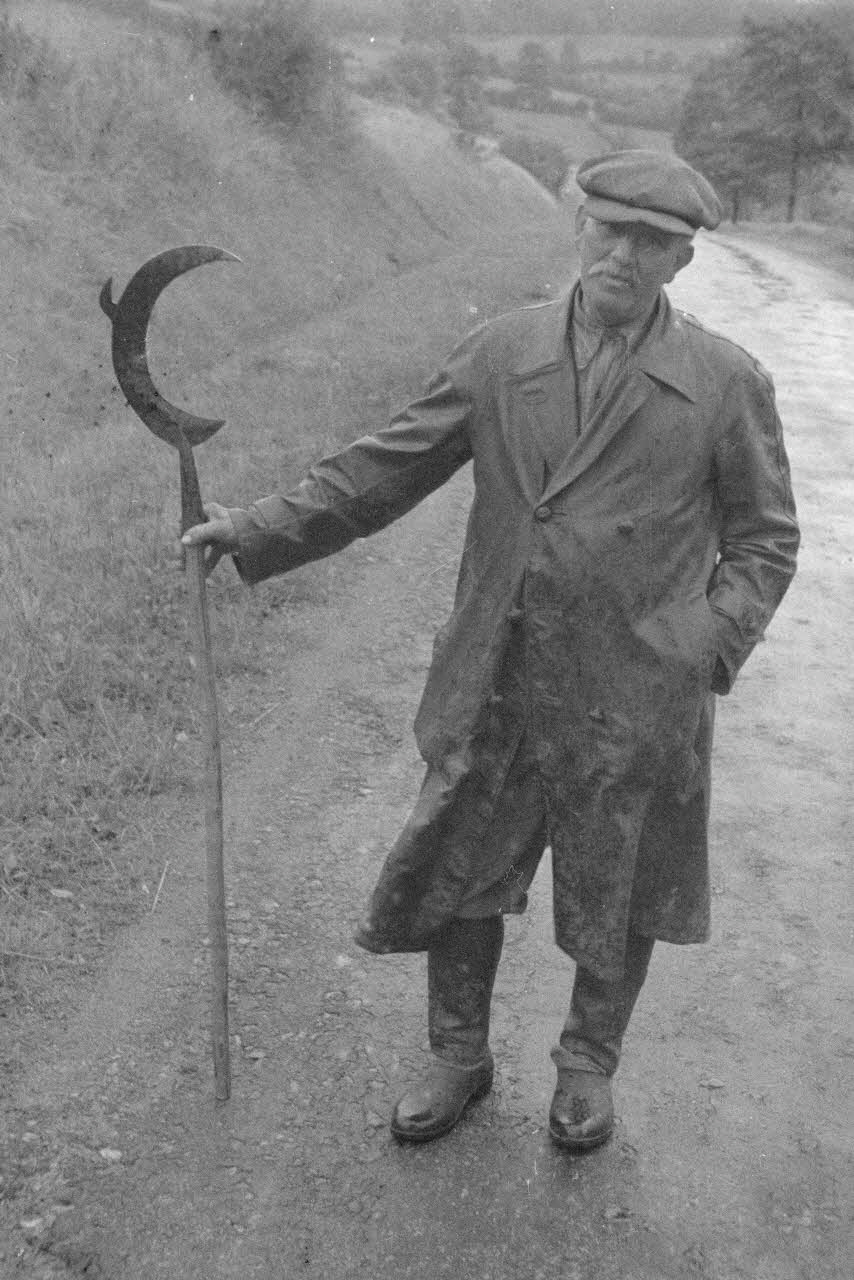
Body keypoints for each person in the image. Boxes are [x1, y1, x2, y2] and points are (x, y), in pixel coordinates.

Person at [183, 150, 799, 1152]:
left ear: (682, 258)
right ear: (580, 227)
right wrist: (255, 529)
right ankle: (458, 1055)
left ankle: (586, 1066)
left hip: (636, 687)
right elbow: (381, 469)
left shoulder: (725, 382)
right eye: (610, 229)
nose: (623, 255)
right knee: (461, 864)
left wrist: (697, 646)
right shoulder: (501, 352)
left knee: (620, 882)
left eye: (651, 241)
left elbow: (766, 539)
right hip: (501, 670)